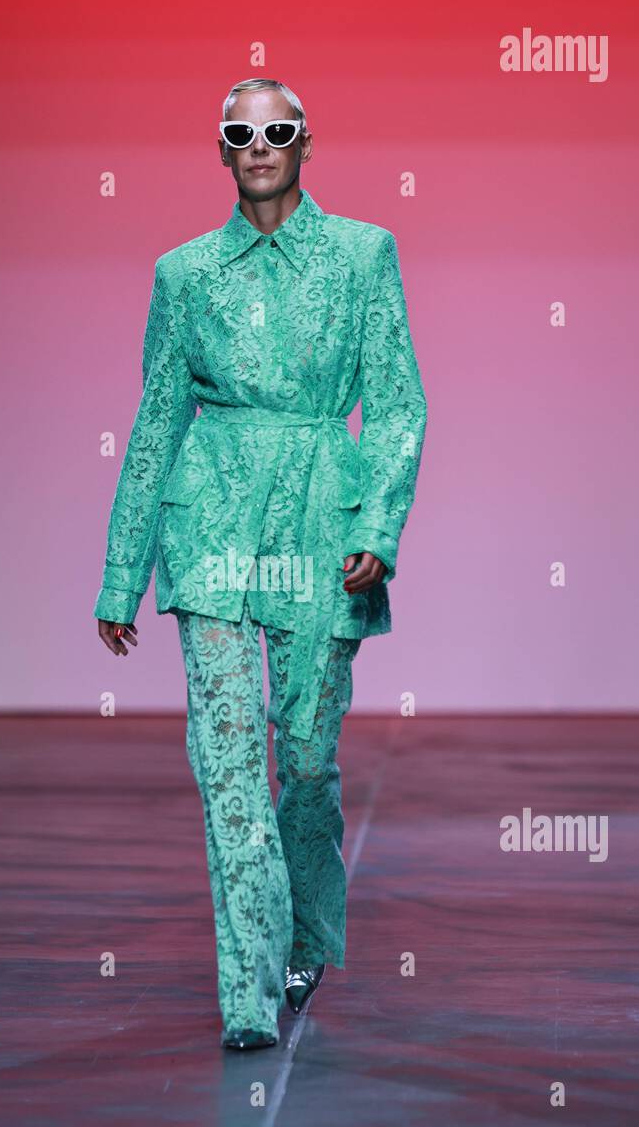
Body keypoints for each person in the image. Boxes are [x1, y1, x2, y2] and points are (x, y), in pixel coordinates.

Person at [94, 78, 427, 1051]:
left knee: (308, 760)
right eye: (240, 132)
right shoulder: (184, 275)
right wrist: (124, 574)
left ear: (305, 143)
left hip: (323, 525)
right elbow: (156, 423)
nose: (258, 144)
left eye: (275, 129)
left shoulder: (364, 255)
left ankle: (305, 933)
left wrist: (380, 520)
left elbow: (398, 400)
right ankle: (248, 987)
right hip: (211, 529)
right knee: (226, 760)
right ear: (221, 150)